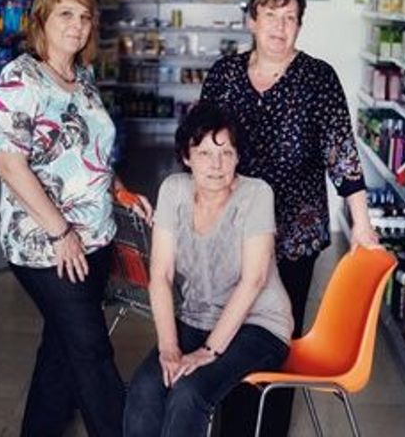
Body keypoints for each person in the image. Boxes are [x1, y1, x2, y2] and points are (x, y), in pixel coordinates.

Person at [200, 0, 379, 436]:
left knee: (276, 342)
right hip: (232, 232)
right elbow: (201, 146)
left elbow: (341, 152)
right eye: (271, 16)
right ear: (252, 21)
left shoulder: (317, 77)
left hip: (294, 236)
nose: (280, 27)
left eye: (290, 19)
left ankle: (269, 429)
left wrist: (361, 224)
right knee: (227, 336)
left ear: (299, 25)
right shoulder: (224, 74)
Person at [0, 0, 151, 437]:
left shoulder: (83, 77)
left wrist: (120, 190)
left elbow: (90, 152)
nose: (77, 25)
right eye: (66, 14)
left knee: (61, 353)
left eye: (84, 17)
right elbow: (8, 164)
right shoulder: (21, 77)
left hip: (94, 239)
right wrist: (61, 232)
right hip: (47, 246)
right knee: (92, 353)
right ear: (41, 20)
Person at [123, 103, 293, 437]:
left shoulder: (256, 194)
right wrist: (169, 348)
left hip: (259, 325)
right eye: (204, 153)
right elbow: (161, 275)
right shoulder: (174, 190)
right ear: (186, 157)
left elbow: (254, 280)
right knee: (145, 389)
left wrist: (209, 351)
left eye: (226, 153)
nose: (216, 165)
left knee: (189, 392)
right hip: (196, 318)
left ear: (238, 157)